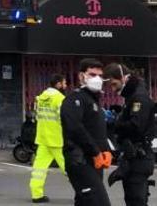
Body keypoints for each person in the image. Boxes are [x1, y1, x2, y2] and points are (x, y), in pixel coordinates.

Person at [61, 58, 112, 206]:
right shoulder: (74, 99)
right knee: (98, 202)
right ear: (81, 76)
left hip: (94, 162)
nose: (96, 79)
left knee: (85, 202)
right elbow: (75, 128)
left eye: (99, 75)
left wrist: (105, 150)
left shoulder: (94, 101)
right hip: (80, 159)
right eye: (92, 74)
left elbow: (97, 131)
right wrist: (96, 152)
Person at [103, 63, 155, 206]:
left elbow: (136, 126)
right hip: (132, 157)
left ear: (123, 78)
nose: (113, 89)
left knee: (136, 200)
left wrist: (115, 123)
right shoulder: (132, 96)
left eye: (114, 84)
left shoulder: (139, 97)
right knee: (132, 199)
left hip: (139, 157)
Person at [29, 74, 68, 204]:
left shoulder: (40, 98)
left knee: (38, 169)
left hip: (43, 138)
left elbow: (36, 117)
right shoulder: (60, 99)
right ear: (58, 84)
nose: (65, 86)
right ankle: (83, 192)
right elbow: (65, 119)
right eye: (64, 83)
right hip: (57, 139)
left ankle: (36, 194)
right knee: (70, 168)